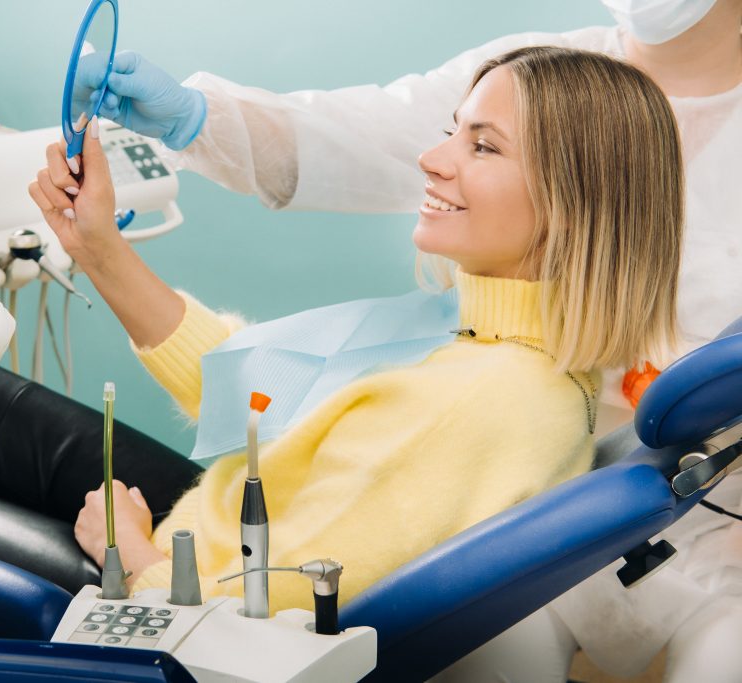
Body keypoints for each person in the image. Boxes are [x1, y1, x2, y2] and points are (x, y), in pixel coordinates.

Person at [75, 1, 742, 679]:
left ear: (571, 206)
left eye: (481, 145)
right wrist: (106, 240)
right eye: (455, 132)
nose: (428, 158)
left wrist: (130, 553)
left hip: (170, 603)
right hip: (204, 544)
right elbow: (264, 388)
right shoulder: (464, 338)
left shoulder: (478, 396)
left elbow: (252, 622)